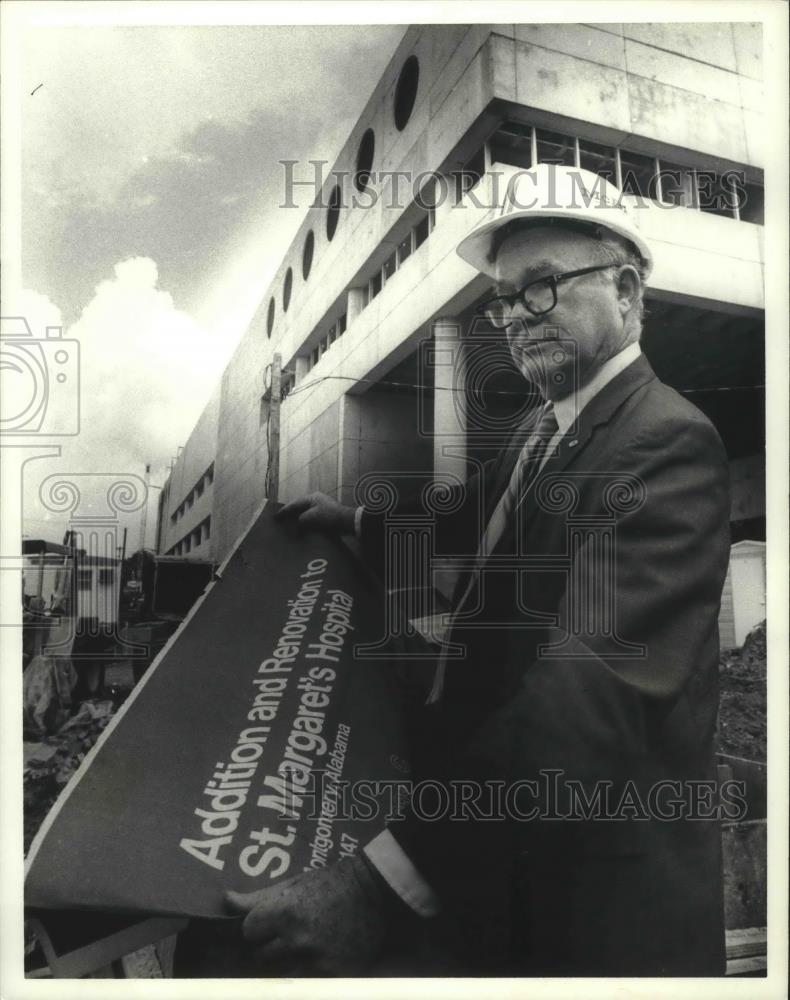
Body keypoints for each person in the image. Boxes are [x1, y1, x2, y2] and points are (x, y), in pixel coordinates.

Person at [225, 164, 732, 976]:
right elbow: (473, 516)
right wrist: (356, 521)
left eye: (541, 288)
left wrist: (376, 884)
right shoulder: (548, 423)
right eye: (503, 298)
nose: (513, 319)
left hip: (597, 917)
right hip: (507, 883)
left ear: (628, 291)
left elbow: (586, 707)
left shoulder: (667, 444)